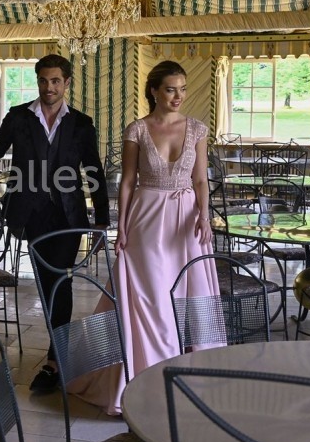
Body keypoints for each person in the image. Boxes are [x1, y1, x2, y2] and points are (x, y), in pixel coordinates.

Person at [68, 59, 220, 416]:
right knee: (150, 296)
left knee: (191, 292)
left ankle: (193, 375)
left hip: (186, 220)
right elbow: (127, 181)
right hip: (147, 218)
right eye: (171, 89)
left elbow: (200, 179)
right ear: (154, 90)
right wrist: (120, 227)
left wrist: (204, 213)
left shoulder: (197, 129)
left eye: (182, 89)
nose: (178, 96)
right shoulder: (136, 129)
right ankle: (149, 377)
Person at [0, 54, 110, 392]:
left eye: (55, 81)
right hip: (31, 213)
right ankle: (58, 355)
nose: (49, 87)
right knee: (47, 282)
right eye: (43, 81)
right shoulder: (19, 116)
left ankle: (54, 360)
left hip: (68, 215)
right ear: (38, 82)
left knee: (58, 283)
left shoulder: (81, 123)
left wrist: (102, 222)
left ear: (66, 83)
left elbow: (94, 171)